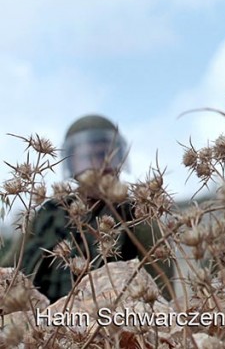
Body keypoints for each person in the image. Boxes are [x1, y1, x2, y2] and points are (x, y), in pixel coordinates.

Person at [2, 115, 175, 302]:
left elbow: (162, 296)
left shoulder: (138, 214)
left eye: (104, 155)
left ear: (119, 158)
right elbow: (8, 272)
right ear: (70, 163)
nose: (96, 166)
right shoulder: (46, 214)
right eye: (85, 157)